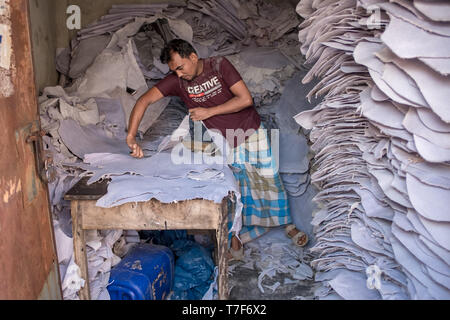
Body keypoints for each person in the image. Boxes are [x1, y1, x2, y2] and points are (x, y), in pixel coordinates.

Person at [126, 39, 308, 260]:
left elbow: (245, 99)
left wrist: (208, 112)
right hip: (222, 141)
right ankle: (236, 238)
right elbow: (144, 100)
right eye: (174, 70)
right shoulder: (178, 81)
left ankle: (288, 225)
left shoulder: (219, 66)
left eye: (180, 67)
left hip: (250, 130)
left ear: (193, 57)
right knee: (234, 190)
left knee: (268, 181)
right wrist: (131, 135)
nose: (179, 74)